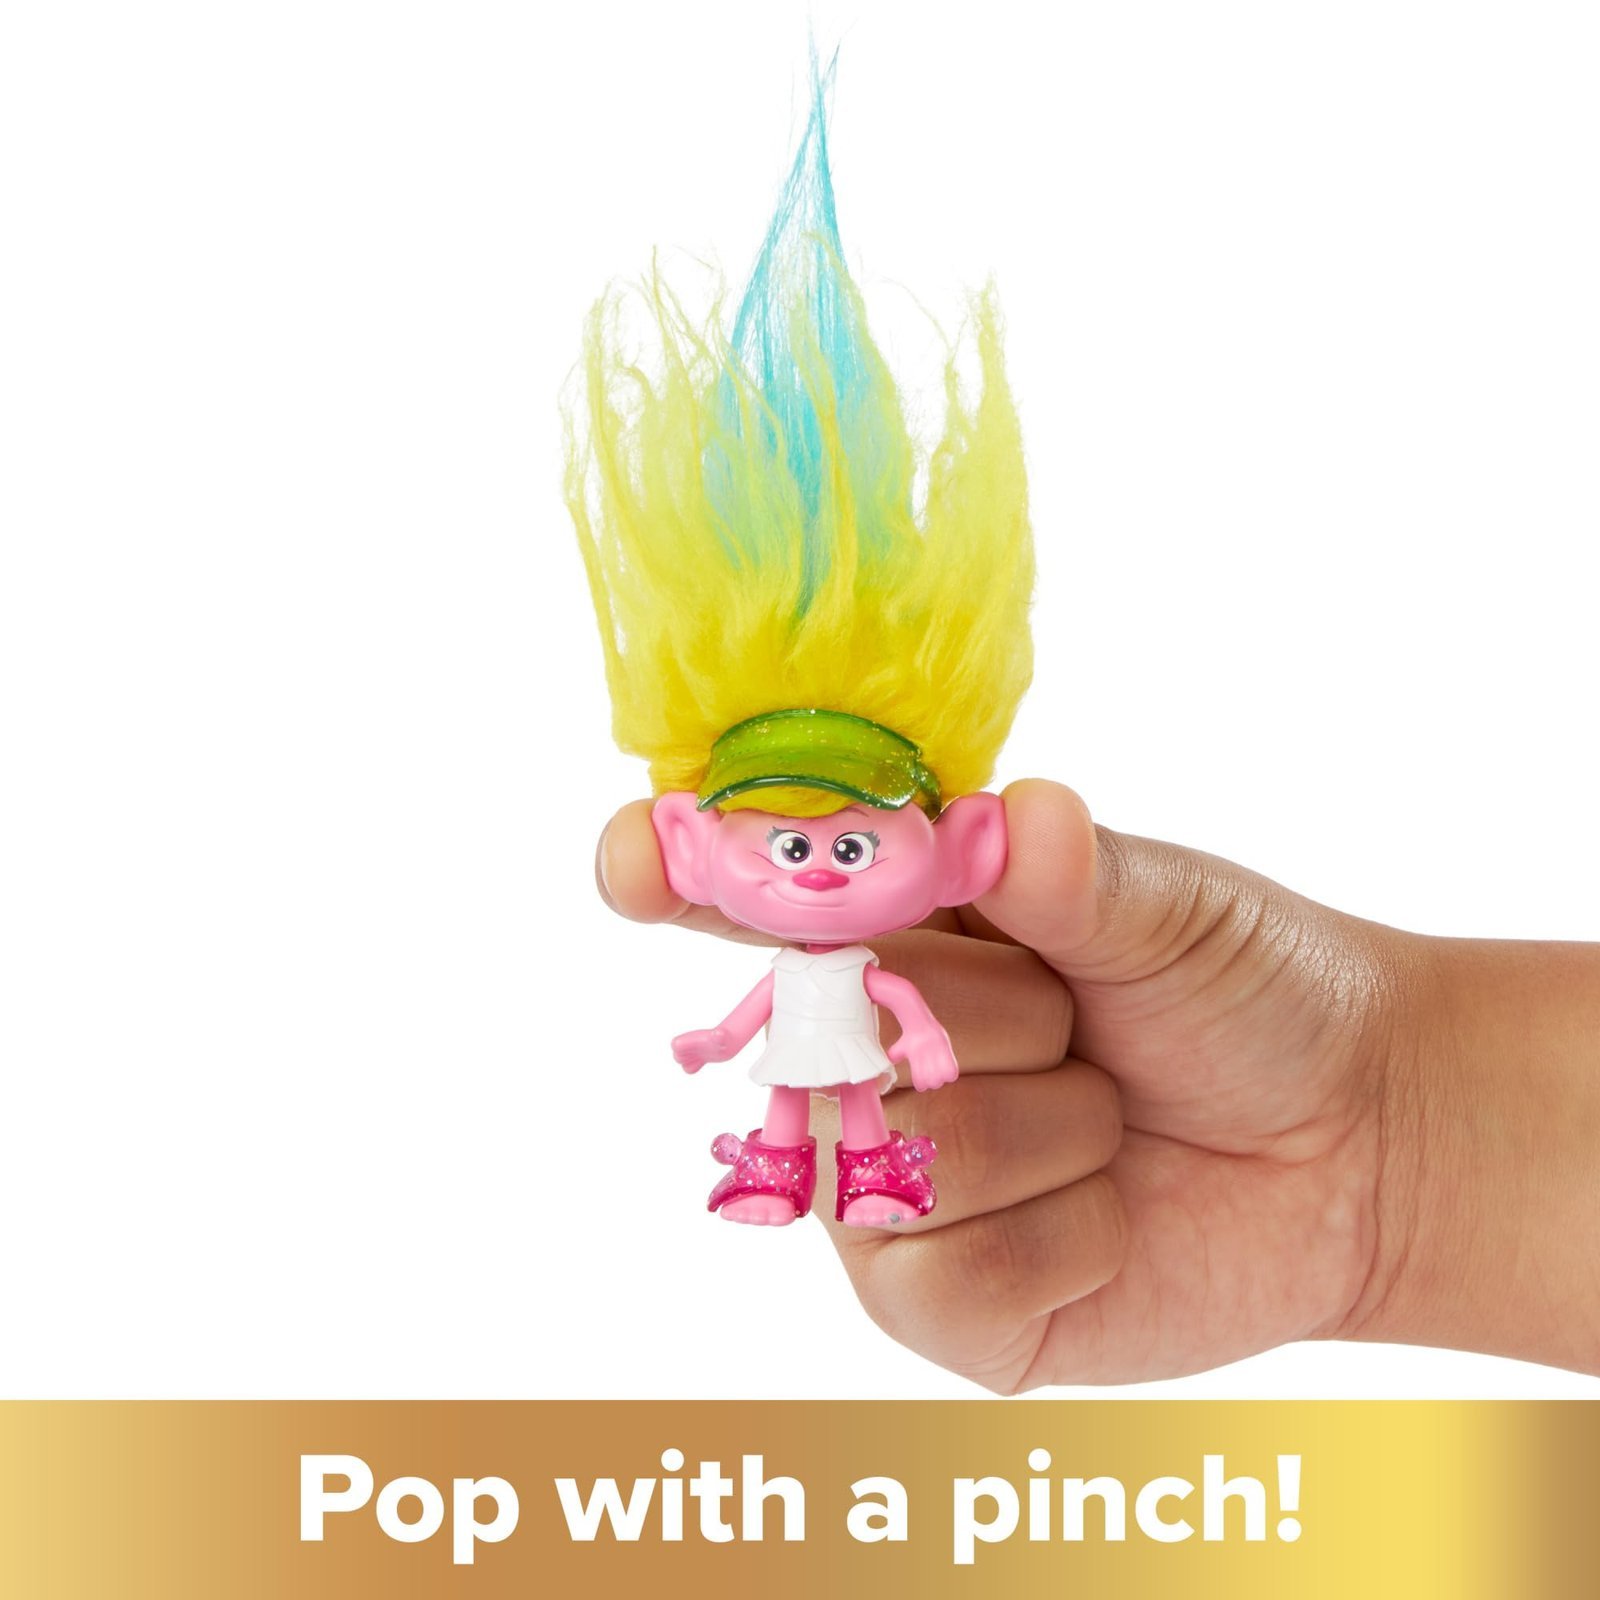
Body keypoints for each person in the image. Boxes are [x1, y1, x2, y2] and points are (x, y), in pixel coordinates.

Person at [595, 776, 1600, 1392]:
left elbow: (899, 1000)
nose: (817, 870)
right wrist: (717, 1037)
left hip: (861, 1055)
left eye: (850, 845)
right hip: (815, 1051)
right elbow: (758, 1013)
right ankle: (777, 1174)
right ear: (689, 843)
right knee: (796, 1103)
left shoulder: (869, 960)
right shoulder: (817, 957)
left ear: (962, 852)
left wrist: (1382, 1135)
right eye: (790, 844)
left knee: (858, 1106)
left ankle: (874, 1175)